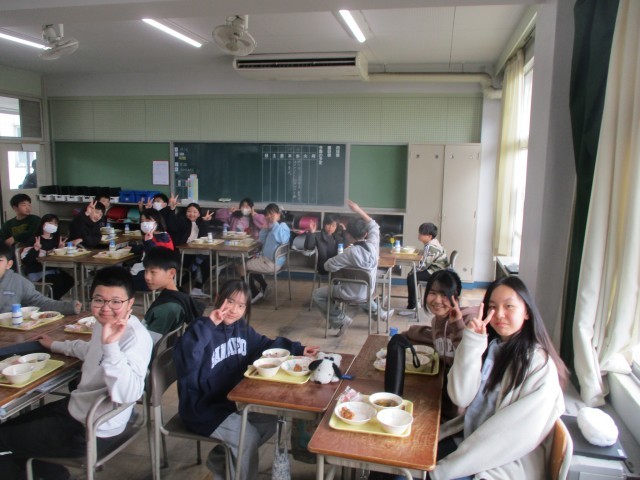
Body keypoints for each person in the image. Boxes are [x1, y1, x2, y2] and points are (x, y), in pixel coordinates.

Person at [0, 266, 152, 480]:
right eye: (99, 300)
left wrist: (111, 346)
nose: (106, 308)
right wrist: (55, 345)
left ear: (130, 303)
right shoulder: (105, 323)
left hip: (92, 428)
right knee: (9, 427)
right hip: (79, 409)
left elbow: (129, 394)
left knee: (3, 441)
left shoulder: (134, 337)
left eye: (115, 302)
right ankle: (54, 474)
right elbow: (91, 350)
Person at [173, 279, 319, 480]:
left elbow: (263, 345)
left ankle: (220, 460)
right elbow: (186, 359)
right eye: (230, 302)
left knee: (271, 419)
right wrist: (209, 324)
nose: (234, 310)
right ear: (218, 299)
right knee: (246, 438)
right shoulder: (200, 328)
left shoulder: (240, 328)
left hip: (231, 401)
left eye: (241, 306)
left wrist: (298, 349)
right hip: (202, 408)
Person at [428, 276, 569, 480]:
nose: (499, 314)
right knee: (401, 462)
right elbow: (460, 397)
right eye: (493, 307)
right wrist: (471, 343)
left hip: (500, 463)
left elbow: (505, 439)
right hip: (470, 441)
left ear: (527, 312)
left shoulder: (537, 365)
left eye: (509, 306)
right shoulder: (492, 346)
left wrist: (443, 471)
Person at [401, 269, 478, 419]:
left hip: (463, 410)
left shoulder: (470, 321)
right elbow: (433, 337)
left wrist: (458, 324)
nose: (437, 300)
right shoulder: (437, 321)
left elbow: (467, 360)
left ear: (456, 297)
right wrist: (405, 335)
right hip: (444, 392)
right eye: (432, 292)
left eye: (444, 295)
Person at [312, 200, 393, 336]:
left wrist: (340, 261)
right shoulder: (373, 246)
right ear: (366, 234)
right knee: (360, 292)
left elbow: (327, 266)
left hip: (349, 293)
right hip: (368, 291)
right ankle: (380, 313)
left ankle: (341, 319)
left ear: (348, 235)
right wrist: (358, 209)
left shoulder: (349, 253)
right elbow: (374, 226)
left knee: (318, 295)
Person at [142, 246, 204, 343]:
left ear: (171, 273)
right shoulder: (178, 294)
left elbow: (147, 344)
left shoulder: (167, 309)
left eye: (153, 272)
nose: (147, 277)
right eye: (146, 271)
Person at [0, 243, 80, 314]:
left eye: (0, 260)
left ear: (9, 264)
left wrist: (69, 307)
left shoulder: (18, 283)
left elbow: (39, 303)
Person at [20, 214, 74, 300]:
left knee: (70, 280)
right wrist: (35, 249)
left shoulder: (56, 240)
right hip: (37, 272)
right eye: (50, 223)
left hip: (53, 271)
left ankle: (52, 299)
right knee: (59, 282)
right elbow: (26, 261)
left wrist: (60, 249)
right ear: (43, 224)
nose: (53, 225)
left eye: (55, 224)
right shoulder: (34, 240)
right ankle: (51, 302)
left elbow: (55, 258)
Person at [399, 222, 448, 315]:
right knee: (413, 275)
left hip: (436, 273)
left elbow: (423, 266)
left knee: (411, 277)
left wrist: (413, 270)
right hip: (438, 270)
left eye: (422, 233)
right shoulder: (433, 243)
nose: (419, 235)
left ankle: (412, 307)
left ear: (429, 236)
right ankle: (415, 302)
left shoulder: (431, 247)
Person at [243, 203, 290, 302]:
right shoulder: (272, 227)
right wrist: (265, 228)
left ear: (278, 214)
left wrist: (274, 223)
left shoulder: (282, 226)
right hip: (267, 260)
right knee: (249, 264)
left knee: (241, 267)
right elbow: (261, 241)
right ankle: (264, 287)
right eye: (268, 215)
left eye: (272, 214)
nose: (270, 217)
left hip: (273, 263)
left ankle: (255, 293)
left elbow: (283, 239)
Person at [130, 208, 174, 292]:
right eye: (142, 221)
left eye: (148, 220)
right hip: (151, 271)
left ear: (157, 221)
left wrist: (148, 241)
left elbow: (154, 256)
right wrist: (133, 248)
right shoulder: (154, 235)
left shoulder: (163, 237)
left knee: (122, 280)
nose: (144, 223)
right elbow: (146, 249)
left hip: (156, 274)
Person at [176, 202, 213, 296]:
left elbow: (204, 237)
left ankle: (193, 286)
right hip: (183, 254)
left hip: (196, 253)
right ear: (185, 213)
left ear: (199, 214)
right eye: (189, 211)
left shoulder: (200, 223)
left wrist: (205, 222)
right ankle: (193, 287)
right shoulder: (182, 222)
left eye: (194, 212)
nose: (191, 214)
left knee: (206, 261)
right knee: (203, 262)